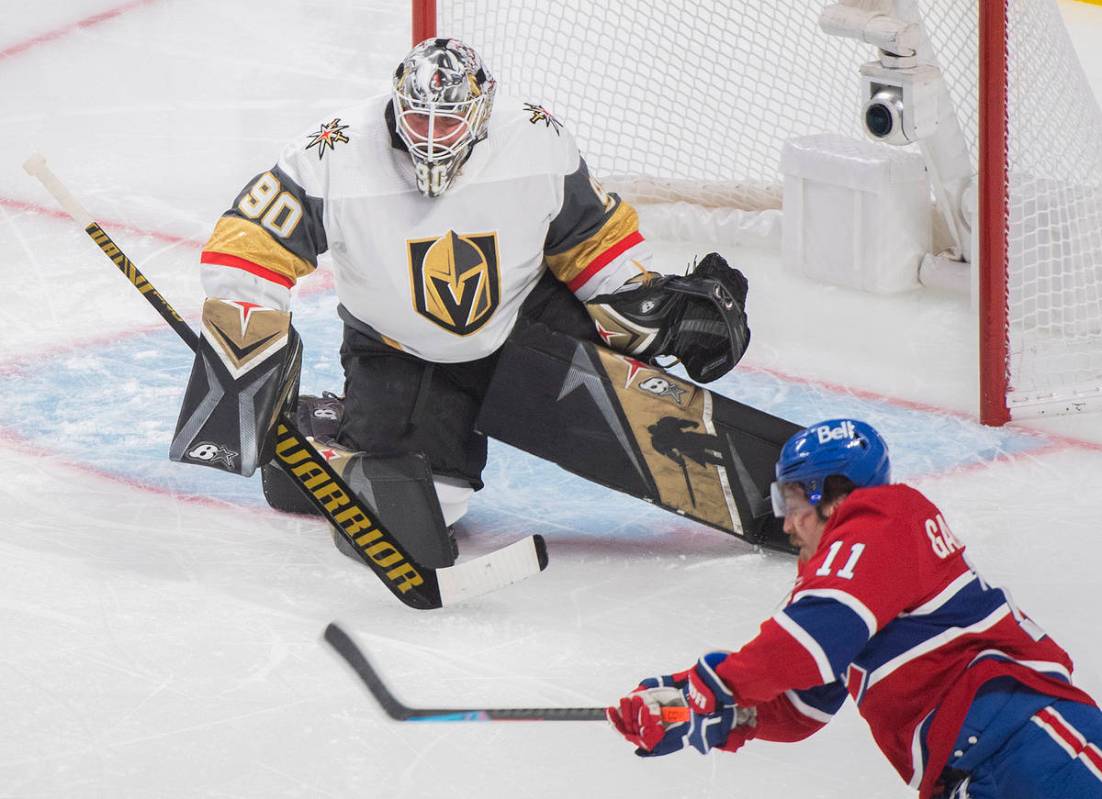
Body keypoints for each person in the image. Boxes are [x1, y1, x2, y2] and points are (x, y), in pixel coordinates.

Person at [168, 37, 751, 561]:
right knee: (429, 511)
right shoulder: (333, 150)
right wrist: (248, 339)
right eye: (416, 115)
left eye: (446, 121)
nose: (428, 133)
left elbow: (590, 237)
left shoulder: (536, 136)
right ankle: (325, 438)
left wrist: (636, 301)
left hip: (524, 319)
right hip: (399, 349)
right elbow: (247, 246)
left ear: (481, 113)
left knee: (632, 359)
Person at [608, 418, 1102, 798]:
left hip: (1037, 746)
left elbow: (807, 645)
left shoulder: (884, 520)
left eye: (790, 500)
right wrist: (690, 708)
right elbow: (802, 706)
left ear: (831, 493)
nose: (786, 524)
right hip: (985, 771)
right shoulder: (861, 582)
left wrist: (711, 687)